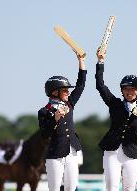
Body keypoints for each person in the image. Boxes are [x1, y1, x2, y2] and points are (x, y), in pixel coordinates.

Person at [95, 48, 137, 191]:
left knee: (129, 189)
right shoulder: (115, 104)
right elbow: (100, 86)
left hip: (131, 153)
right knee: (112, 187)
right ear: (122, 90)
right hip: (112, 151)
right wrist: (100, 62)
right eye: (126, 89)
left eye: (132, 89)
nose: (129, 91)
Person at [38, 53, 87, 191]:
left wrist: (81, 61)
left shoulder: (70, 104)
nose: (68, 92)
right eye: (64, 90)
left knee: (71, 188)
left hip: (72, 153)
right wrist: (55, 119)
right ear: (54, 92)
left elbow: (81, 85)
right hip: (55, 155)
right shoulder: (44, 111)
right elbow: (44, 135)